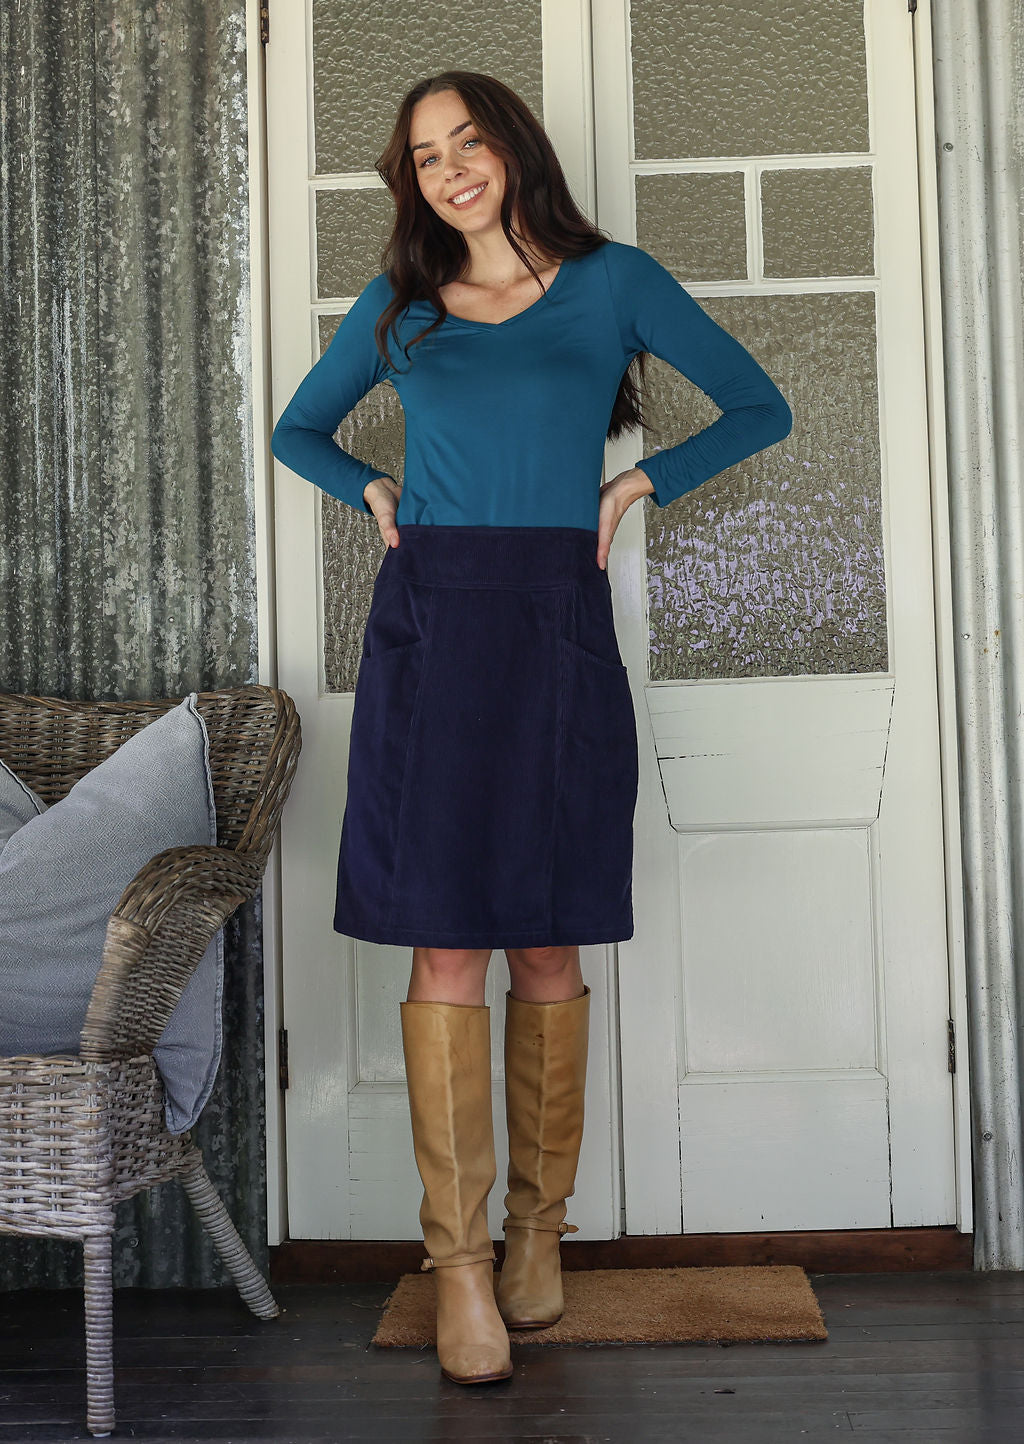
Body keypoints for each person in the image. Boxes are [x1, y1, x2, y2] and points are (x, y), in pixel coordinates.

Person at [271, 70, 793, 1387]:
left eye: (468, 142)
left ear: (511, 148)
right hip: (433, 627)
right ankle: (456, 1267)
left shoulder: (615, 283)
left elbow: (760, 406)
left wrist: (639, 483)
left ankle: (535, 1236)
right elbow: (298, 430)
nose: (450, 169)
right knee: (446, 941)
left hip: (558, 619)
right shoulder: (400, 305)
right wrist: (371, 484)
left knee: (548, 935)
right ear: (412, 182)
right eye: (424, 157)